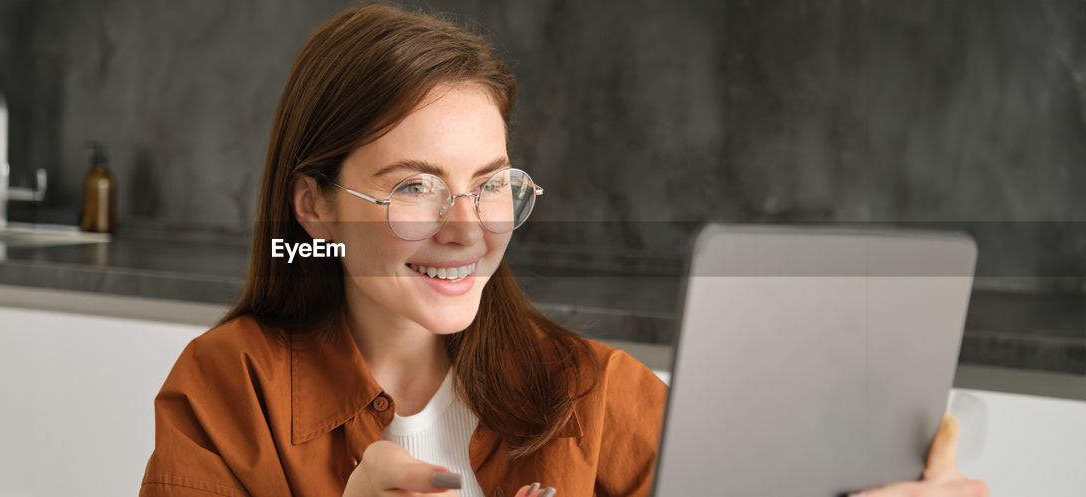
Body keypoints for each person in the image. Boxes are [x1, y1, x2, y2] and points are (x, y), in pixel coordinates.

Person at [138, 4, 989, 497]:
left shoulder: (595, 391)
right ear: (315, 208)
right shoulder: (223, 392)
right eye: (413, 186)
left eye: (491, 181)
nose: (467, 227)